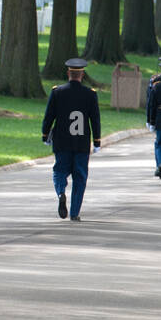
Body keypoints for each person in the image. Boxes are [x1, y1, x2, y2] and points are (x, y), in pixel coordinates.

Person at [41, 57, 102, 218]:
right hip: (81, 143)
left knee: (59, 171)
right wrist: (97, 141)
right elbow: (95, 119)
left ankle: (61, 192)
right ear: (82, 74)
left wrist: (45, 134)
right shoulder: (90, 94)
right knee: (80, 177)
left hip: (62, 141)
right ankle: (74, 213)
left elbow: (49, 116)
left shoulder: (57, 92)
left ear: (68, 73)